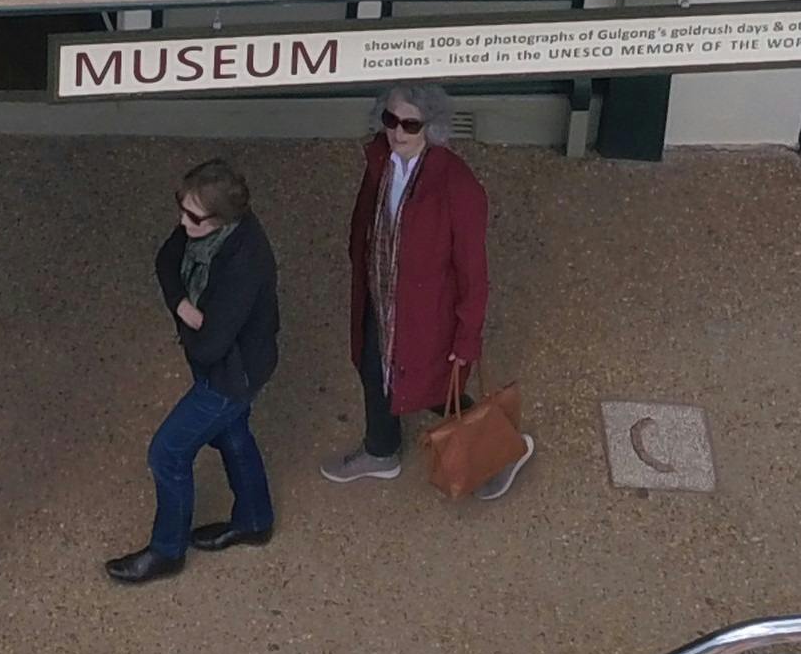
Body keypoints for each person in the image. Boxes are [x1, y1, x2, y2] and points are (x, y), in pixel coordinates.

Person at [325, 83, 530, 496]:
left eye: (410, 124)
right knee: (375, 370)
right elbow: (364, 223)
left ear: (431, 127)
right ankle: (381, 450)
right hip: (381, 298)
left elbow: (473, 272)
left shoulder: (457, 185)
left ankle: (502, 448)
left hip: (427, 312)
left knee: (435, 387)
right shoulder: (381, 161)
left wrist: (467, 336)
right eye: (390, 120)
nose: (397, 132)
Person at [104, 158, 280, 584]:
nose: (183, 223)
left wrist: (190, 319)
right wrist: (185, 307)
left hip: (230, 374)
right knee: (232, 435)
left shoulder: (244, 261)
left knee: (168, 452)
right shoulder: (204, 231)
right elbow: (166, 260)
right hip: (229, 367)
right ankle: (254, 520)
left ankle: (168, 550)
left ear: (221, 219)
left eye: (193, 217)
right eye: (181, 209)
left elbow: (210, 345)